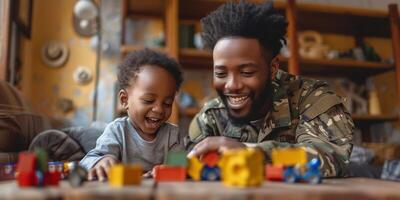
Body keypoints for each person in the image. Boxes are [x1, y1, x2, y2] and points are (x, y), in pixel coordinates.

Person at [187, 1, 354, 177]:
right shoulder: (212, 115)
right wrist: (173, 165)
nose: (232, 85)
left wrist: (251, 152)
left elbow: (330, 157)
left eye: (246, 72)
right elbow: (182, 155)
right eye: (221, 74)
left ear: (273, 68)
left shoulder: (313, 99)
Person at [80, 49, 185, 181]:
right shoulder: (118, 130)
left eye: (167, 103)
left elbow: (181, 166)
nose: (159, 109)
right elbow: (87, 161)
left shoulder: (172, 135)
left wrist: (169, 169)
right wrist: (102, 160)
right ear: (125, 100)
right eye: (149, 100)